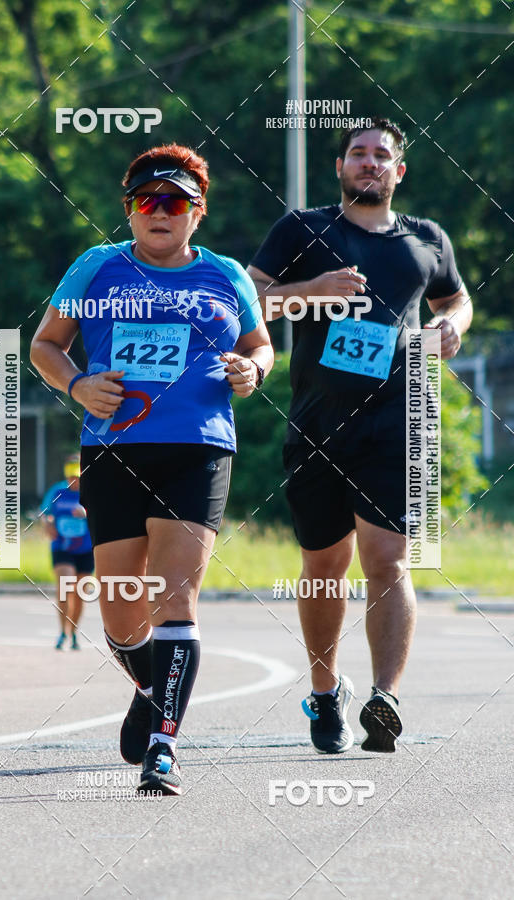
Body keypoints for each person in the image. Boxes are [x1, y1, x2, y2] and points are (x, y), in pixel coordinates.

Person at [30, 143, 273, 794]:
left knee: (175, 599)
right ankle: (148, 683)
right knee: (118, 613)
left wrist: (254, 370)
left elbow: (260, 345)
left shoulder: (226, 276)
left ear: (198, 212)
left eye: (174, 202)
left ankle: (164, 743)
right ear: (129, 211)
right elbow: (45, 346)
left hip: (198, 445)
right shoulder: (96, 268)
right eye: (145, 201)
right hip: (114, 449)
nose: (158, 212)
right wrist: (78, 384)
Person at [248, 117, 471, 753]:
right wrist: (311, 292)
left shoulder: (426, 240)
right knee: (324, 565)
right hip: (317, 423)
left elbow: (454, 300)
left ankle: (384, 698)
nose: (369, 163)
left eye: (381, 156)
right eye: (358, 154)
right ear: (340, 167)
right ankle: (325, 692)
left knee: (388, 559)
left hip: (400, 422)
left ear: (399, 172)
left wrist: (454, 324)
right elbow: (249, 301)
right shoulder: (303, 229)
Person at [41, 454, 93, 650]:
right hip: (62, 547)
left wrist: (87, 514)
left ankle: (73, 633)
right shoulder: (57, 491)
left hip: (86, 549)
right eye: (71, 477)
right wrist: (47, 523)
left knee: (80, 593)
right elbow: (44, 514)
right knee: (66, 585)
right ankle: (62, 631)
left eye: (78, 477)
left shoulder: (91, 491)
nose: (75, 482)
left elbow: (105, 517)